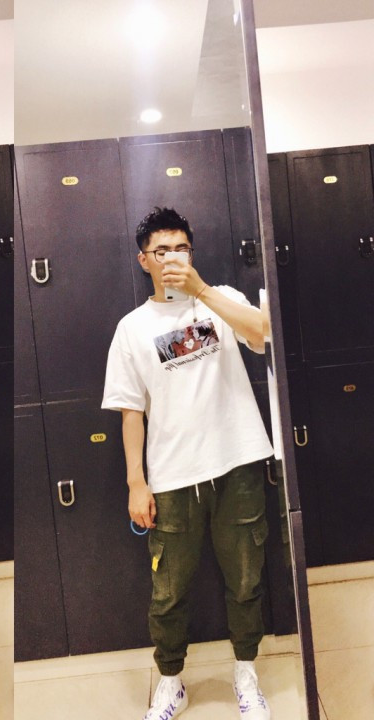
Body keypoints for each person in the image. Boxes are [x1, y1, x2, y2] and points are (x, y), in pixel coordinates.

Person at [102, 207, 274, 720]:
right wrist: (136, 482)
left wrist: (201, 290)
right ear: (144, 261)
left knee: (246, 580)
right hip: (174, 478)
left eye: (181, 248)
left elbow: (263, 331)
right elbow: (131, 412)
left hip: (237, 464)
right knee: (169, 591)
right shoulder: (131, 329)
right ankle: (171, 680)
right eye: (161, 251)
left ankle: (246, 673)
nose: (172, 258)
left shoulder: (221, 299)